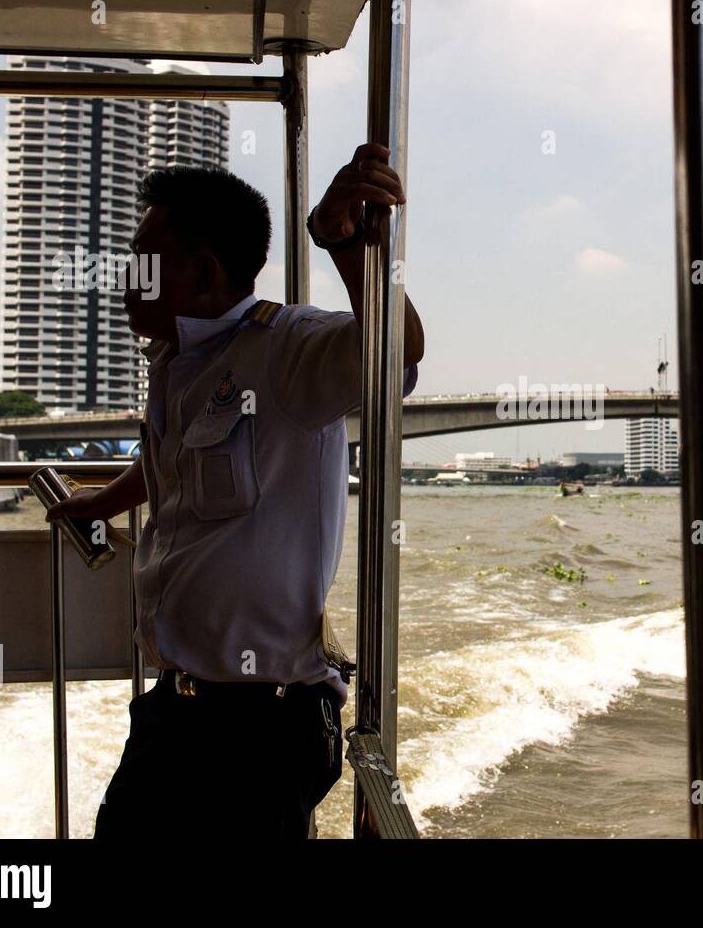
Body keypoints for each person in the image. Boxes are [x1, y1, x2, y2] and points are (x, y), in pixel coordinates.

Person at [47, 143, 424, 839]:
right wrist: (102, 501)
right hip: (176, 707)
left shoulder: (286, 351)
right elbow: (174, 467)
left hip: (262, 725)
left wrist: (338, 243)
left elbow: (393, 352)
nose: (127, 278)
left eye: (143, 262)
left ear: (203, 271)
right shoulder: (175, 363)